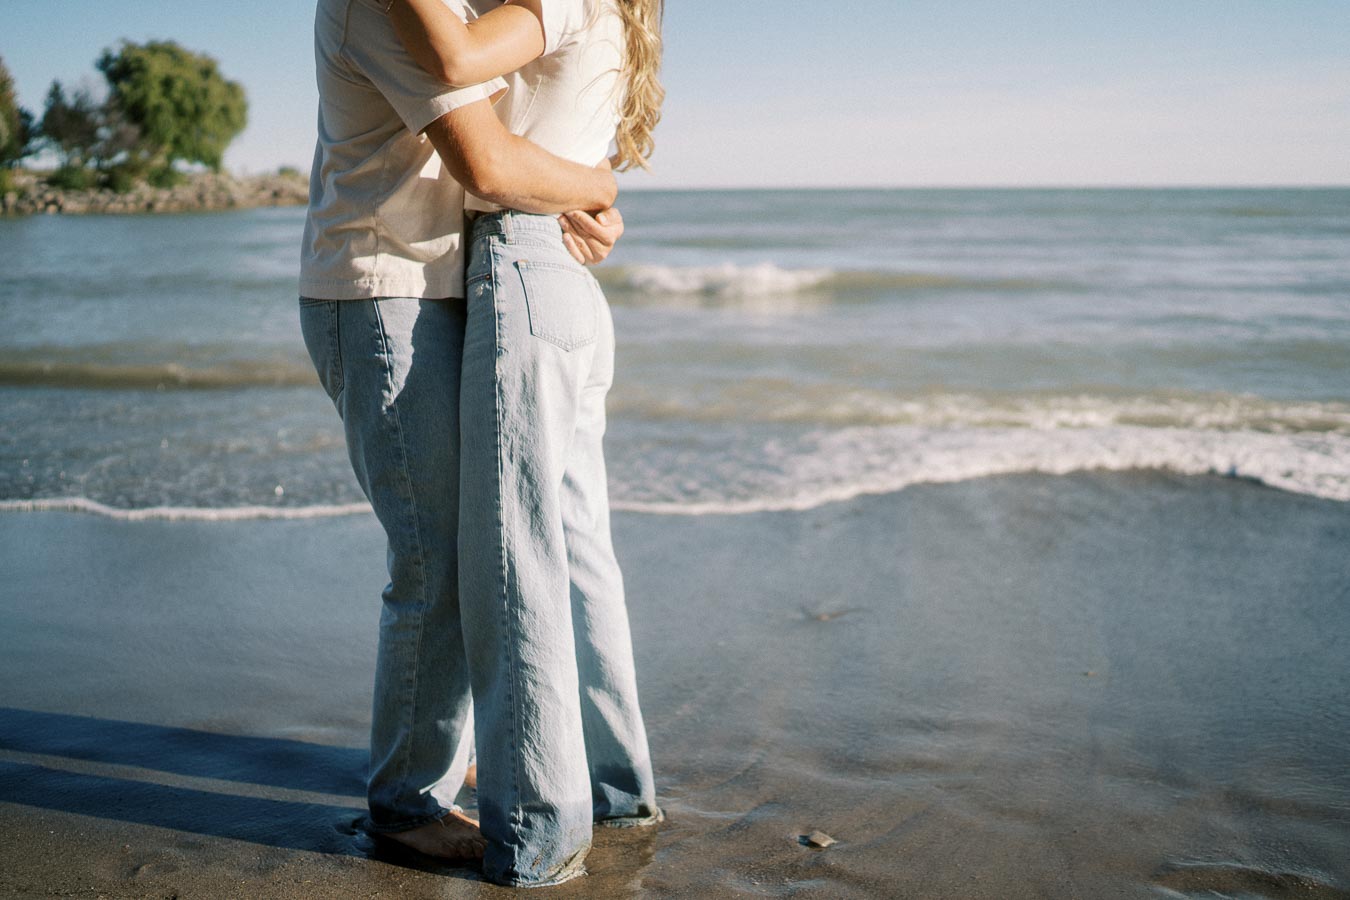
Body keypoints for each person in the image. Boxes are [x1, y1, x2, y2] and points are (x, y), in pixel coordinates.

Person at [296, 0, 628, 885]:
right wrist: (597, 187)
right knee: (437, 555)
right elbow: (486, 161)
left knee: (457, 546)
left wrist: (578, 199)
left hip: (434, 287)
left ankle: (438, 753)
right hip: (381, 291)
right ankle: (407, 801)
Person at [384, 0, 665, 886]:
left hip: (518, 267)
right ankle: (618, 792)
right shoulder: (624, 17)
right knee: (579, 551)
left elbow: (459, 55)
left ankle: (538, 835)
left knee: (515, 561)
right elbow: (581, 162)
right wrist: (597, 190)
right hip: (572, 286)